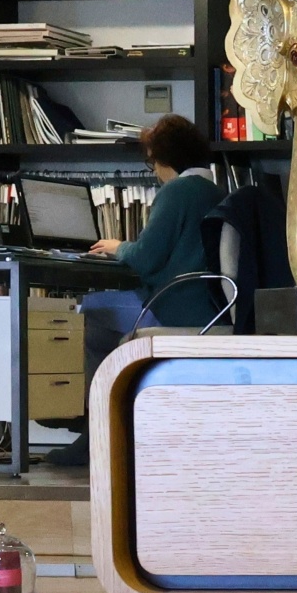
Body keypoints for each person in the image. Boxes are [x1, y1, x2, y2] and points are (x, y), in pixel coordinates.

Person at [47, 115, 221, 466]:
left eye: (152, 162)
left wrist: (117, 247)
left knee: (92, 311)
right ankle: (117, 419)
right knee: (105, 314)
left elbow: (145, 258)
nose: (154, 172)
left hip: (174, 306)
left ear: (164, 159)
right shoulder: (216, 191)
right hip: (211, 307)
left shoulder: (178, 191)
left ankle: (95, 430)